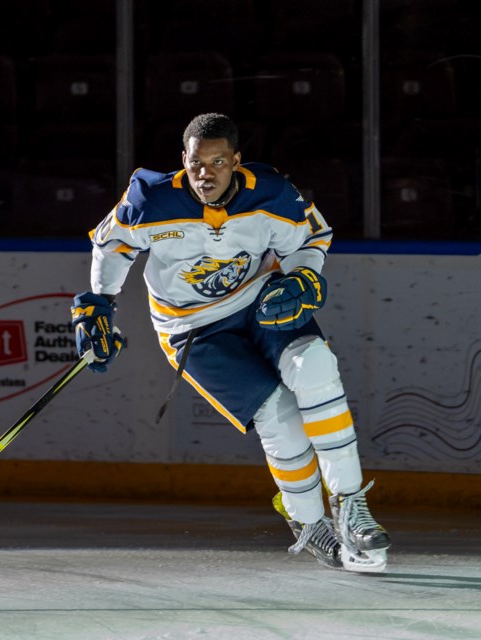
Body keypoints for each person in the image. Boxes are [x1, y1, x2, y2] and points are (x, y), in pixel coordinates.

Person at [70, 113, 389, 572]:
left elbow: (312, 235)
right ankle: (309, 522)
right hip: (193, 330)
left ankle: (351, 505)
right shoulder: (149, 200)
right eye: (197, 162)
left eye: (218, 162)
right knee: (278, 415)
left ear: (236, 161)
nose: (206, 173)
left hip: (261, 303)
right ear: (184, 160)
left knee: (315, 364)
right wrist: (99, 303)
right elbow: (112, 243)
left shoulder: (271, 193)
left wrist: (303, 275)